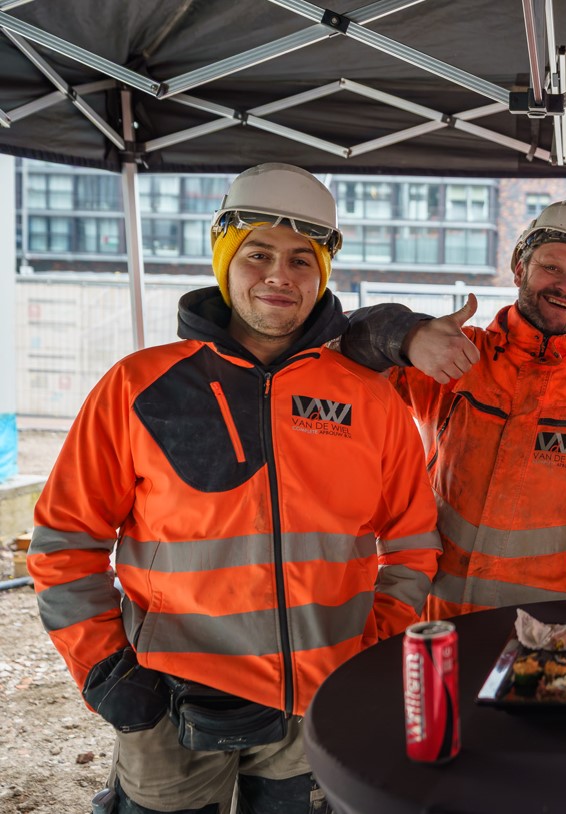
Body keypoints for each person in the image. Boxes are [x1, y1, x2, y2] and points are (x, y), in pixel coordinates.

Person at [27, 162, 441, 813]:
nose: (280, 275)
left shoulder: (371, 400)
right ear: (224, 259)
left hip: (315, 707)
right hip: (170, 702)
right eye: (259, 254)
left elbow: (412, 543)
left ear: (323, 274)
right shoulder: (139, 386)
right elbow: (62, 545)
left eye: (303, 259)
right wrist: (107, 672)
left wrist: (367, 645)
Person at [341, 199, 566, 618]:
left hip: (550, 633)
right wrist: (406, 335)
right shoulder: (454, 352)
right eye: (551, 268)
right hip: (438, 620)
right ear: (520, 266)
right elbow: (333, 347)